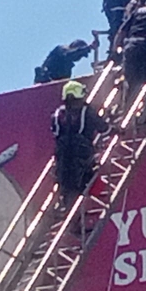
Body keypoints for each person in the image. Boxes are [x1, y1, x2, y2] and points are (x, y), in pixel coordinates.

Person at [51, 81, 109, 210]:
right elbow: (102, 127)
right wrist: (114, 129)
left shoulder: (58, 114)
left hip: (62, 155)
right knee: (85, 179)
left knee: (66, 183)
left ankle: (65, 207)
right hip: (81, 153)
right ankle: (75, 217)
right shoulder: (86, 111)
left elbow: (55, 132)